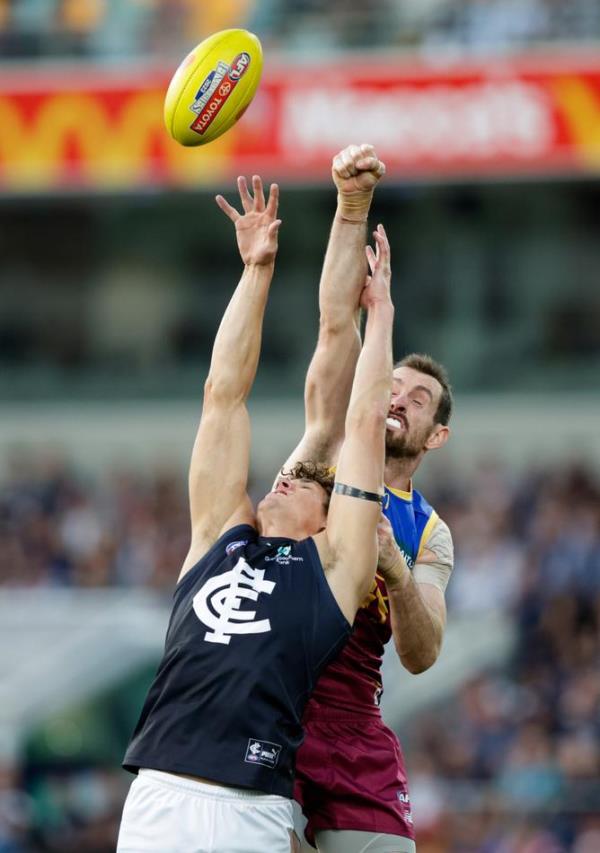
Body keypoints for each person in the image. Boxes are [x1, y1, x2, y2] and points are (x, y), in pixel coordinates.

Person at [116, 174, 397, 853]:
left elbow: (360, 428)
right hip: (158, 791)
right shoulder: (216, 537)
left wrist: (381, 316)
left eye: (305, 485)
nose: (286, 477)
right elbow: (222, 396)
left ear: (330, 521)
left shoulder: (333, 572)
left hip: (251, 806)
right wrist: (255, 270)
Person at [283, 145, 455, 853]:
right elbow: (334, 329)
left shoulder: (430, 532)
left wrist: (393, 568)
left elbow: (422, 652)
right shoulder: (325, 452)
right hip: (279, 696)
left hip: (355, 724)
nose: (398, 399)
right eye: (391, 385)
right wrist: (350, 208)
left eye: (418, 400)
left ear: (436, 435)